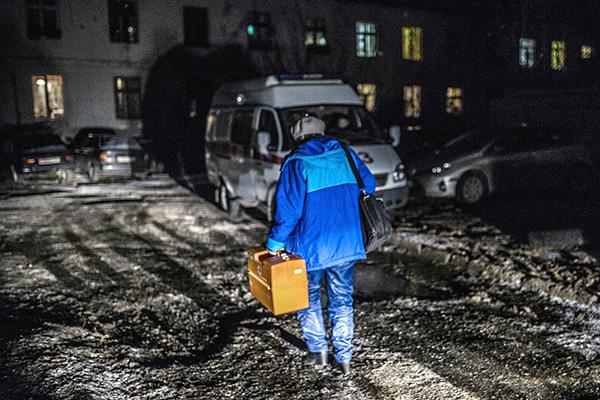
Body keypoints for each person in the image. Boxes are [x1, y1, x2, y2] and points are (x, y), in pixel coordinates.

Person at [265, 116, 376, 375]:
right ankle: (345, 357)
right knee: (341, 297)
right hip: (346, 240)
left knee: (309, 296)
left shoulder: (297, 162)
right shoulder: (345, 153)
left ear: (298, 137)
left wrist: (274, 243)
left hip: (310, 245)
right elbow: (368, 185)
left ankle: (319, 353)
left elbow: (289, 211)